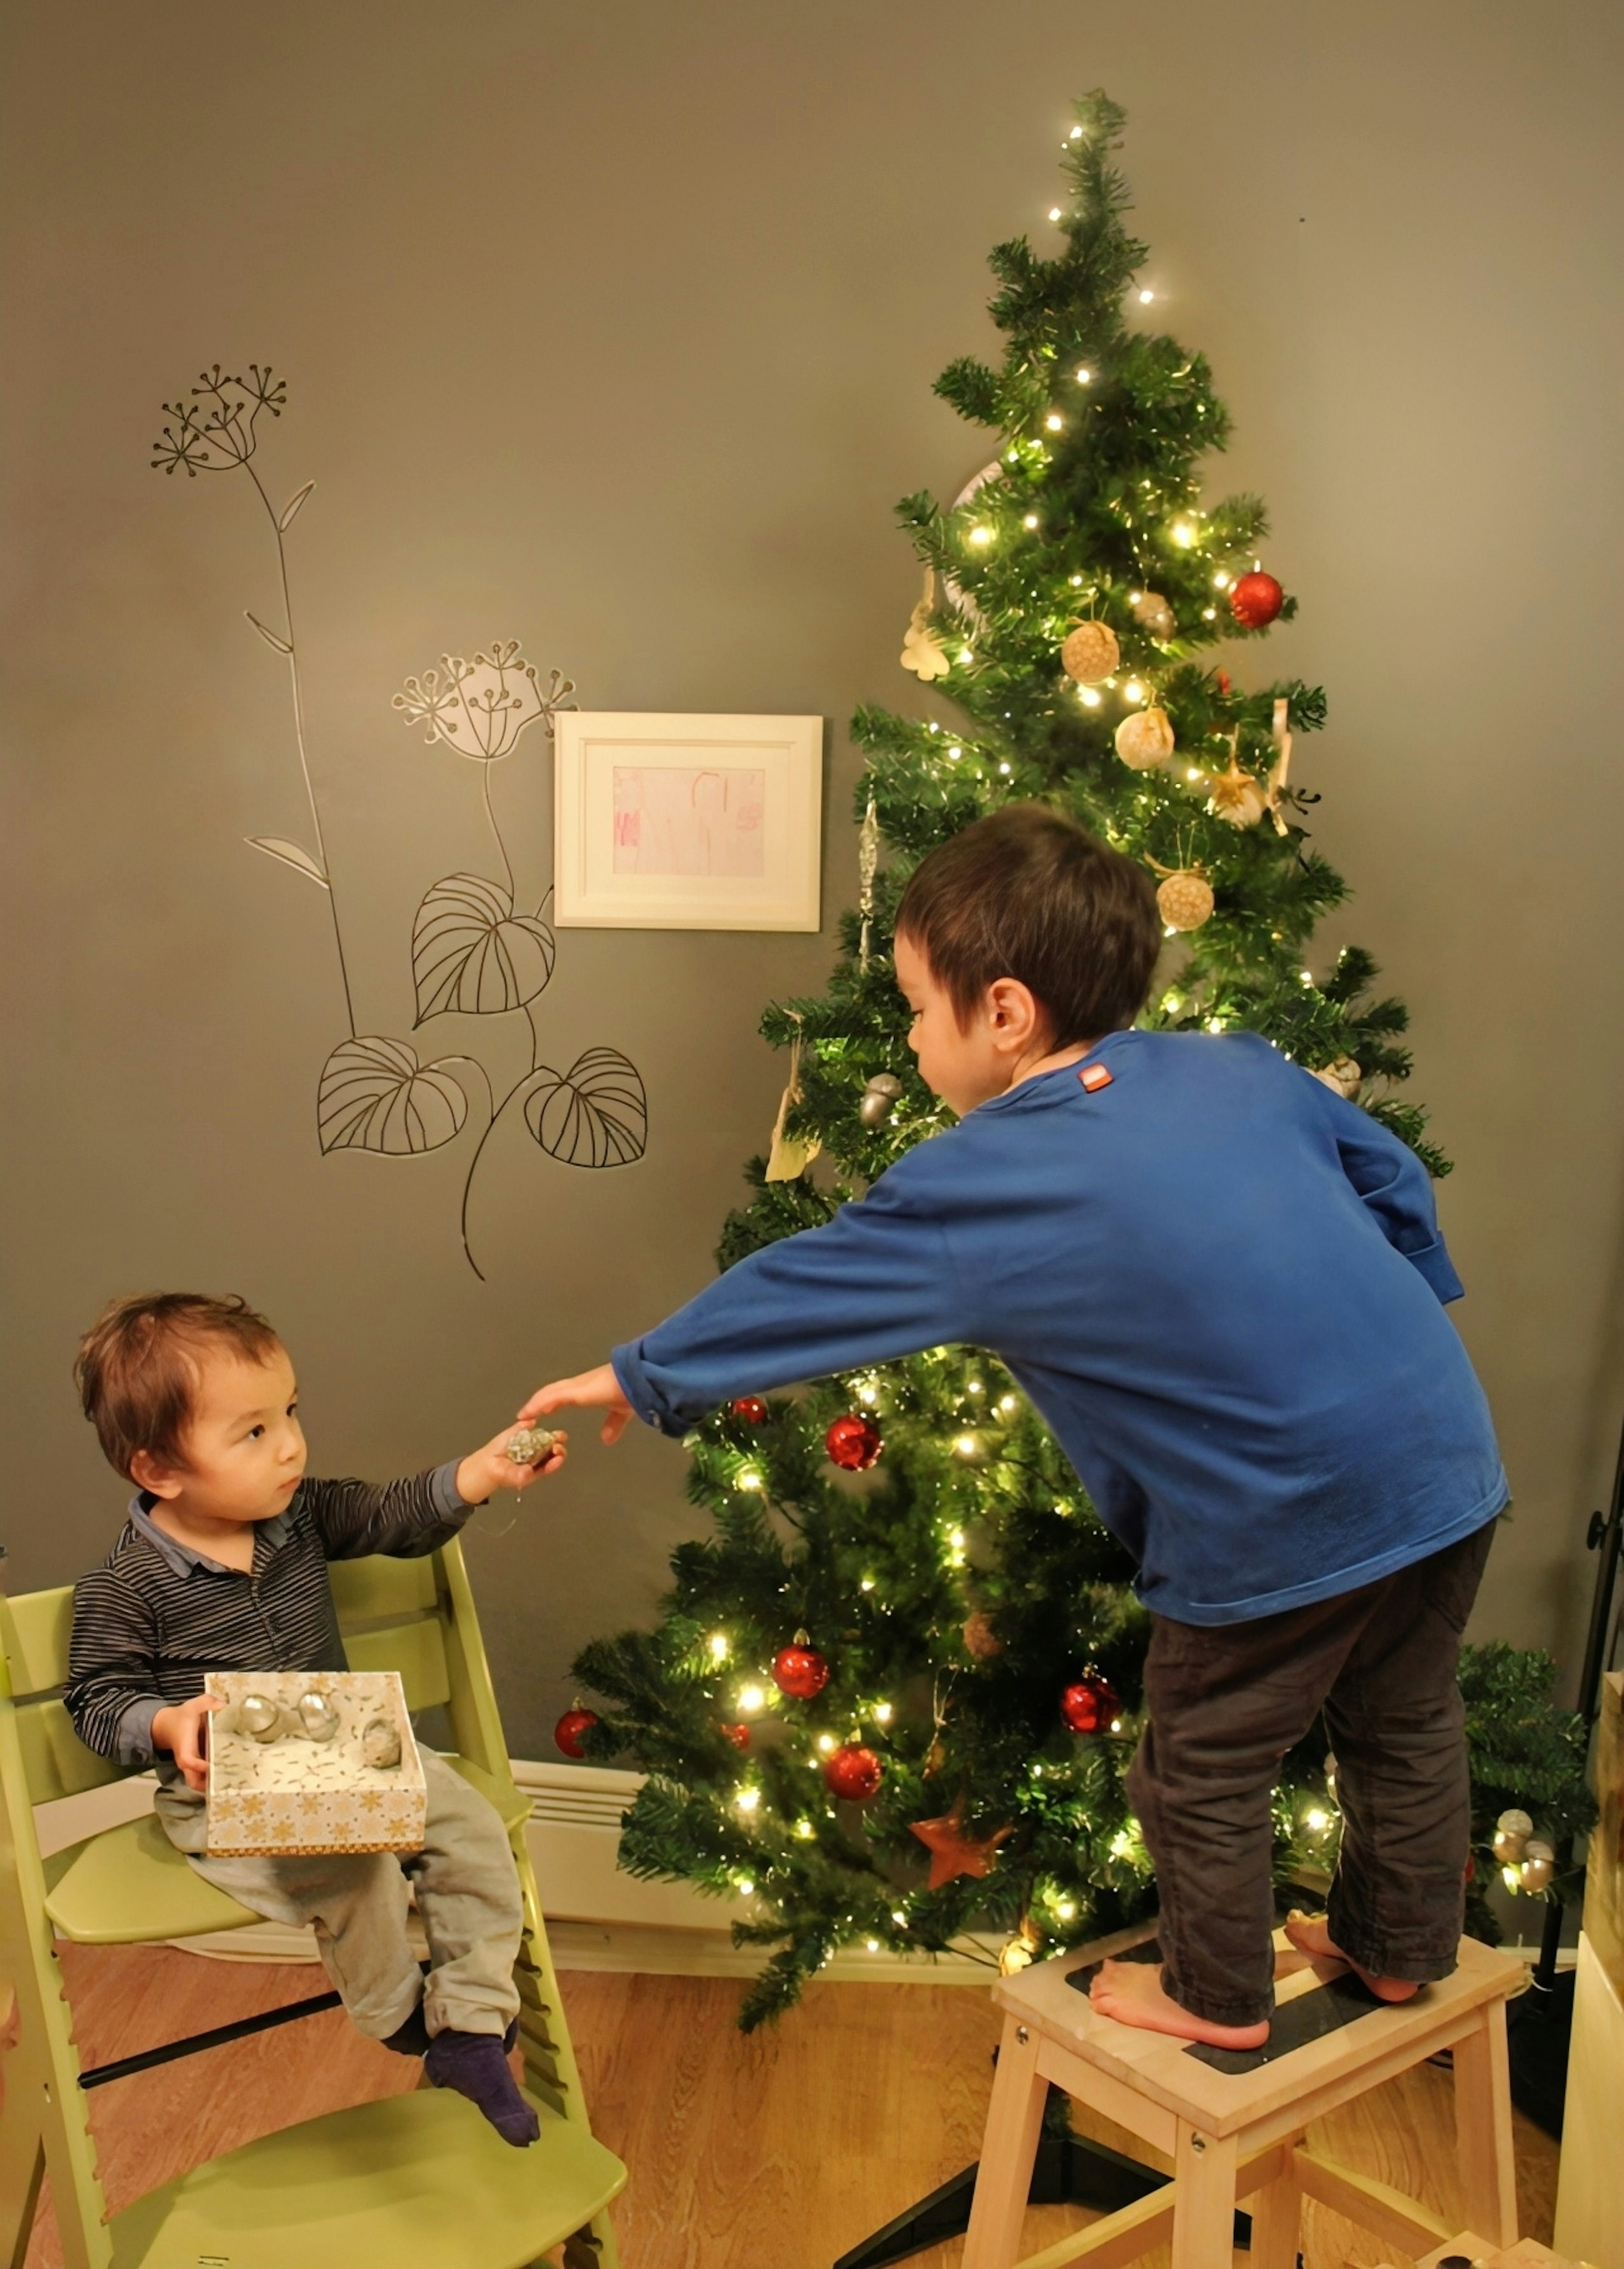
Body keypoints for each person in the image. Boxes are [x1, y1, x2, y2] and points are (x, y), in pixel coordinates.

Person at [518, 803, 1507, 2051]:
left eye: (920, 1008)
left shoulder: (990, 1176)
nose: (913, 1035)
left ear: (1004, 1013)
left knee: (1199, 1763)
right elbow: (1393, 1178)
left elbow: (812, 1286)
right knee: (1404, 1715)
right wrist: (1413, 1307)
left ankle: (1216, 1998)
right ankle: (1398, 1946)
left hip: (1278, 1518)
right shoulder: (1239, 1065)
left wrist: (638, 1375)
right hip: (1444, 1459)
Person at [66, 1291, 562, 2143]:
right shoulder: (124, 1588)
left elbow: (393, 1514)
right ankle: (398, 2013)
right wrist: (168, 1725)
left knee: (473, 1830)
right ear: (159, 1470)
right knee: (356, 1870)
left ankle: (474, 2024)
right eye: (254, 1432)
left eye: (290, 1412)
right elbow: (97, 1699)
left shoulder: (299, 1518)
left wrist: (480, 1474)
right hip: (231, 1796)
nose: (291, 1443)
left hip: (350, 1750)